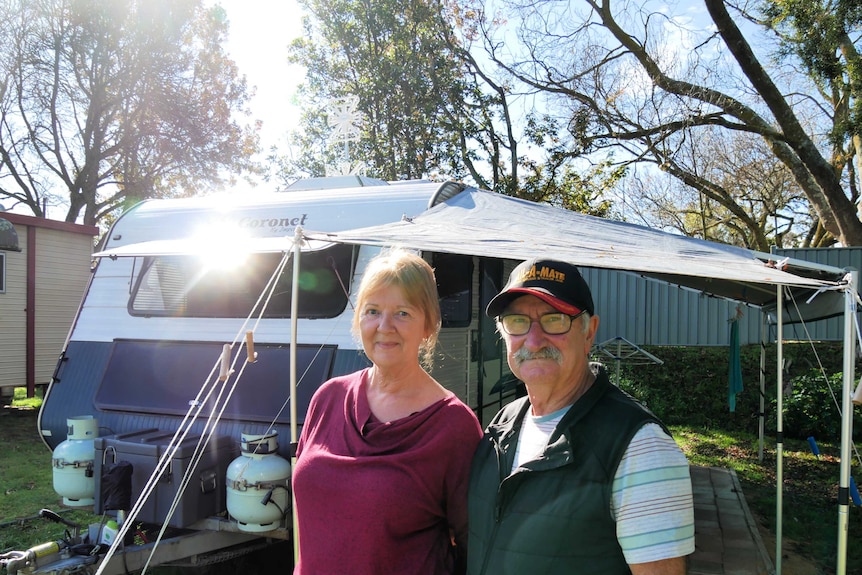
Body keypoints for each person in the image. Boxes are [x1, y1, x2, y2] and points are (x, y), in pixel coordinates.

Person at [467, 258, 695, 575]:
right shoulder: (502, 424)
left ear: (589, 331)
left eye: (555, 319)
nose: (533, 341)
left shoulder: (640, 446)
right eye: (517, 322)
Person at [293, 248, 483, 574]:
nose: (385, 326)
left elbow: (473, 546)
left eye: (403, 313)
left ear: (428, 325)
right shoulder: (328, 398)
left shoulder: (454, 426)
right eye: (372, 311)